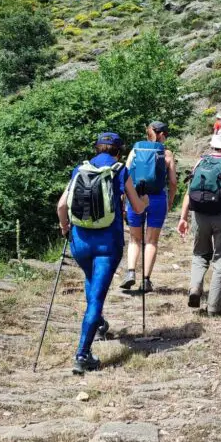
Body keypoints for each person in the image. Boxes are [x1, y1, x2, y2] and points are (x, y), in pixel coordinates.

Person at [57, 132, 148, 374]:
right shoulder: (120, 170)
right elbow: (137, 207)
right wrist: (146, 201)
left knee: (91, 282)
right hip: (107, 245)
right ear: (118, 151)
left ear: (97, 149)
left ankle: (98, 323)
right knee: (96, 298)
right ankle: (82, 354)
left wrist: (65, 227)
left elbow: (61, 205)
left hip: (80, 242)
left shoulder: (81, 169)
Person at [177, 126, 221, 315]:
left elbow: (188, 192)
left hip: (199, 214)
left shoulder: (201, 161)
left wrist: (183, 218)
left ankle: (195, 288)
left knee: (200, 253)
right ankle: (214, 307)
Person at [121, 122, 177, 294]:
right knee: (152, 240)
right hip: (158, 199)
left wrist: (124, 200)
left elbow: (125, 176)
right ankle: (146, 280)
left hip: (136, 197)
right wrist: (170, 200)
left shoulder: (135, 150)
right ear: (162, 135)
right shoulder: (166, 154)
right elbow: (173, 182)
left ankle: (130, 272)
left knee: (134, 239)